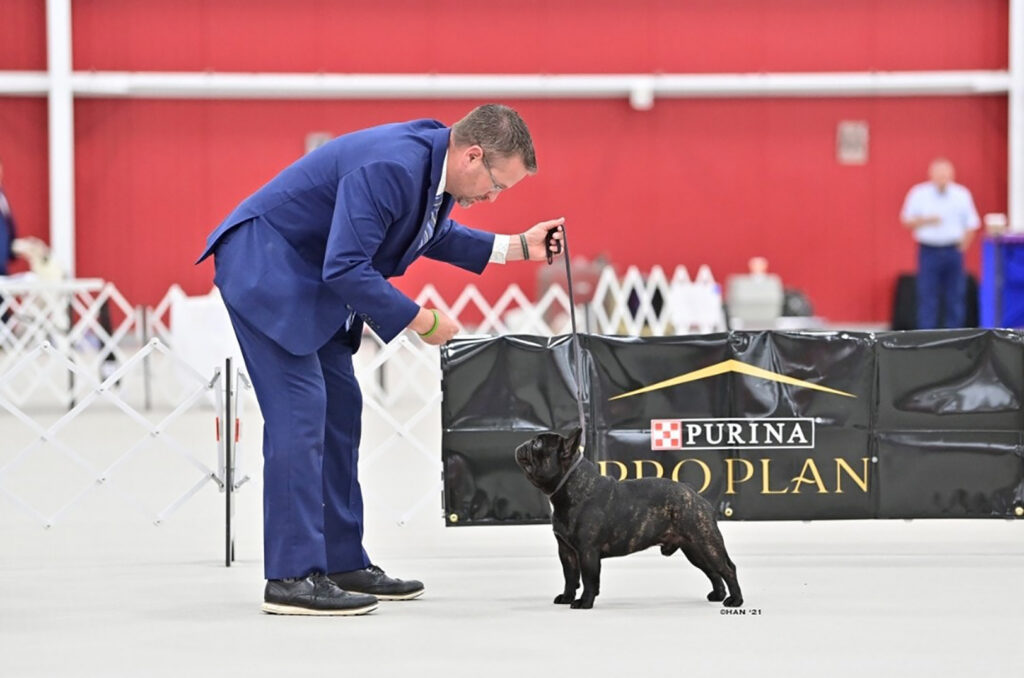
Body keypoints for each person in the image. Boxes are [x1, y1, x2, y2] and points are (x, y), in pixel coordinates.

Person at [196, 104, 565, 616]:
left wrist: (515, 247)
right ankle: (291, 576)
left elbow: (425, 231)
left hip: (310, 279)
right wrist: (421, 320)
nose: (491, 197)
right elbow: (347, 266)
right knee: (301, 417)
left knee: (340, 413)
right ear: (474, 155)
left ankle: (342, 560)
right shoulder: (393, 166)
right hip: (269, 270)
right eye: (497, 185)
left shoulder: (432, 167)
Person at [900, 158, 980, 329]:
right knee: (928, 295)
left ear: (952, 175)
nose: (942, 177)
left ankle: (955, 336)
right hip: (929, 251)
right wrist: (926, 220)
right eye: (939, 173)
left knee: (955, 295)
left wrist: (964, 245)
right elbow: (906, 221)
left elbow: (972, 223)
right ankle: (926, 336)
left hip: (953, 251)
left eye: (946, 173)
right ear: (931, 174)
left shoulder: (961, 194)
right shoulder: (919, 193)